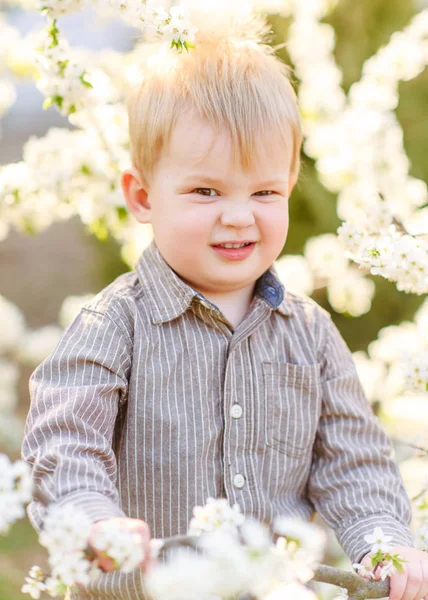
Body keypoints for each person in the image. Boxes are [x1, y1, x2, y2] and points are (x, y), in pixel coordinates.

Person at [21, 13, 428, 600]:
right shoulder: (114, 326)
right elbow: (64, 441)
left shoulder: (310, 334)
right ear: (142, 195)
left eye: (263, 192)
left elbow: (353, 462)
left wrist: (383, 539)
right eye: (206, 191)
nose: (238, 215)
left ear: (288, 186)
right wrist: (92, 518)